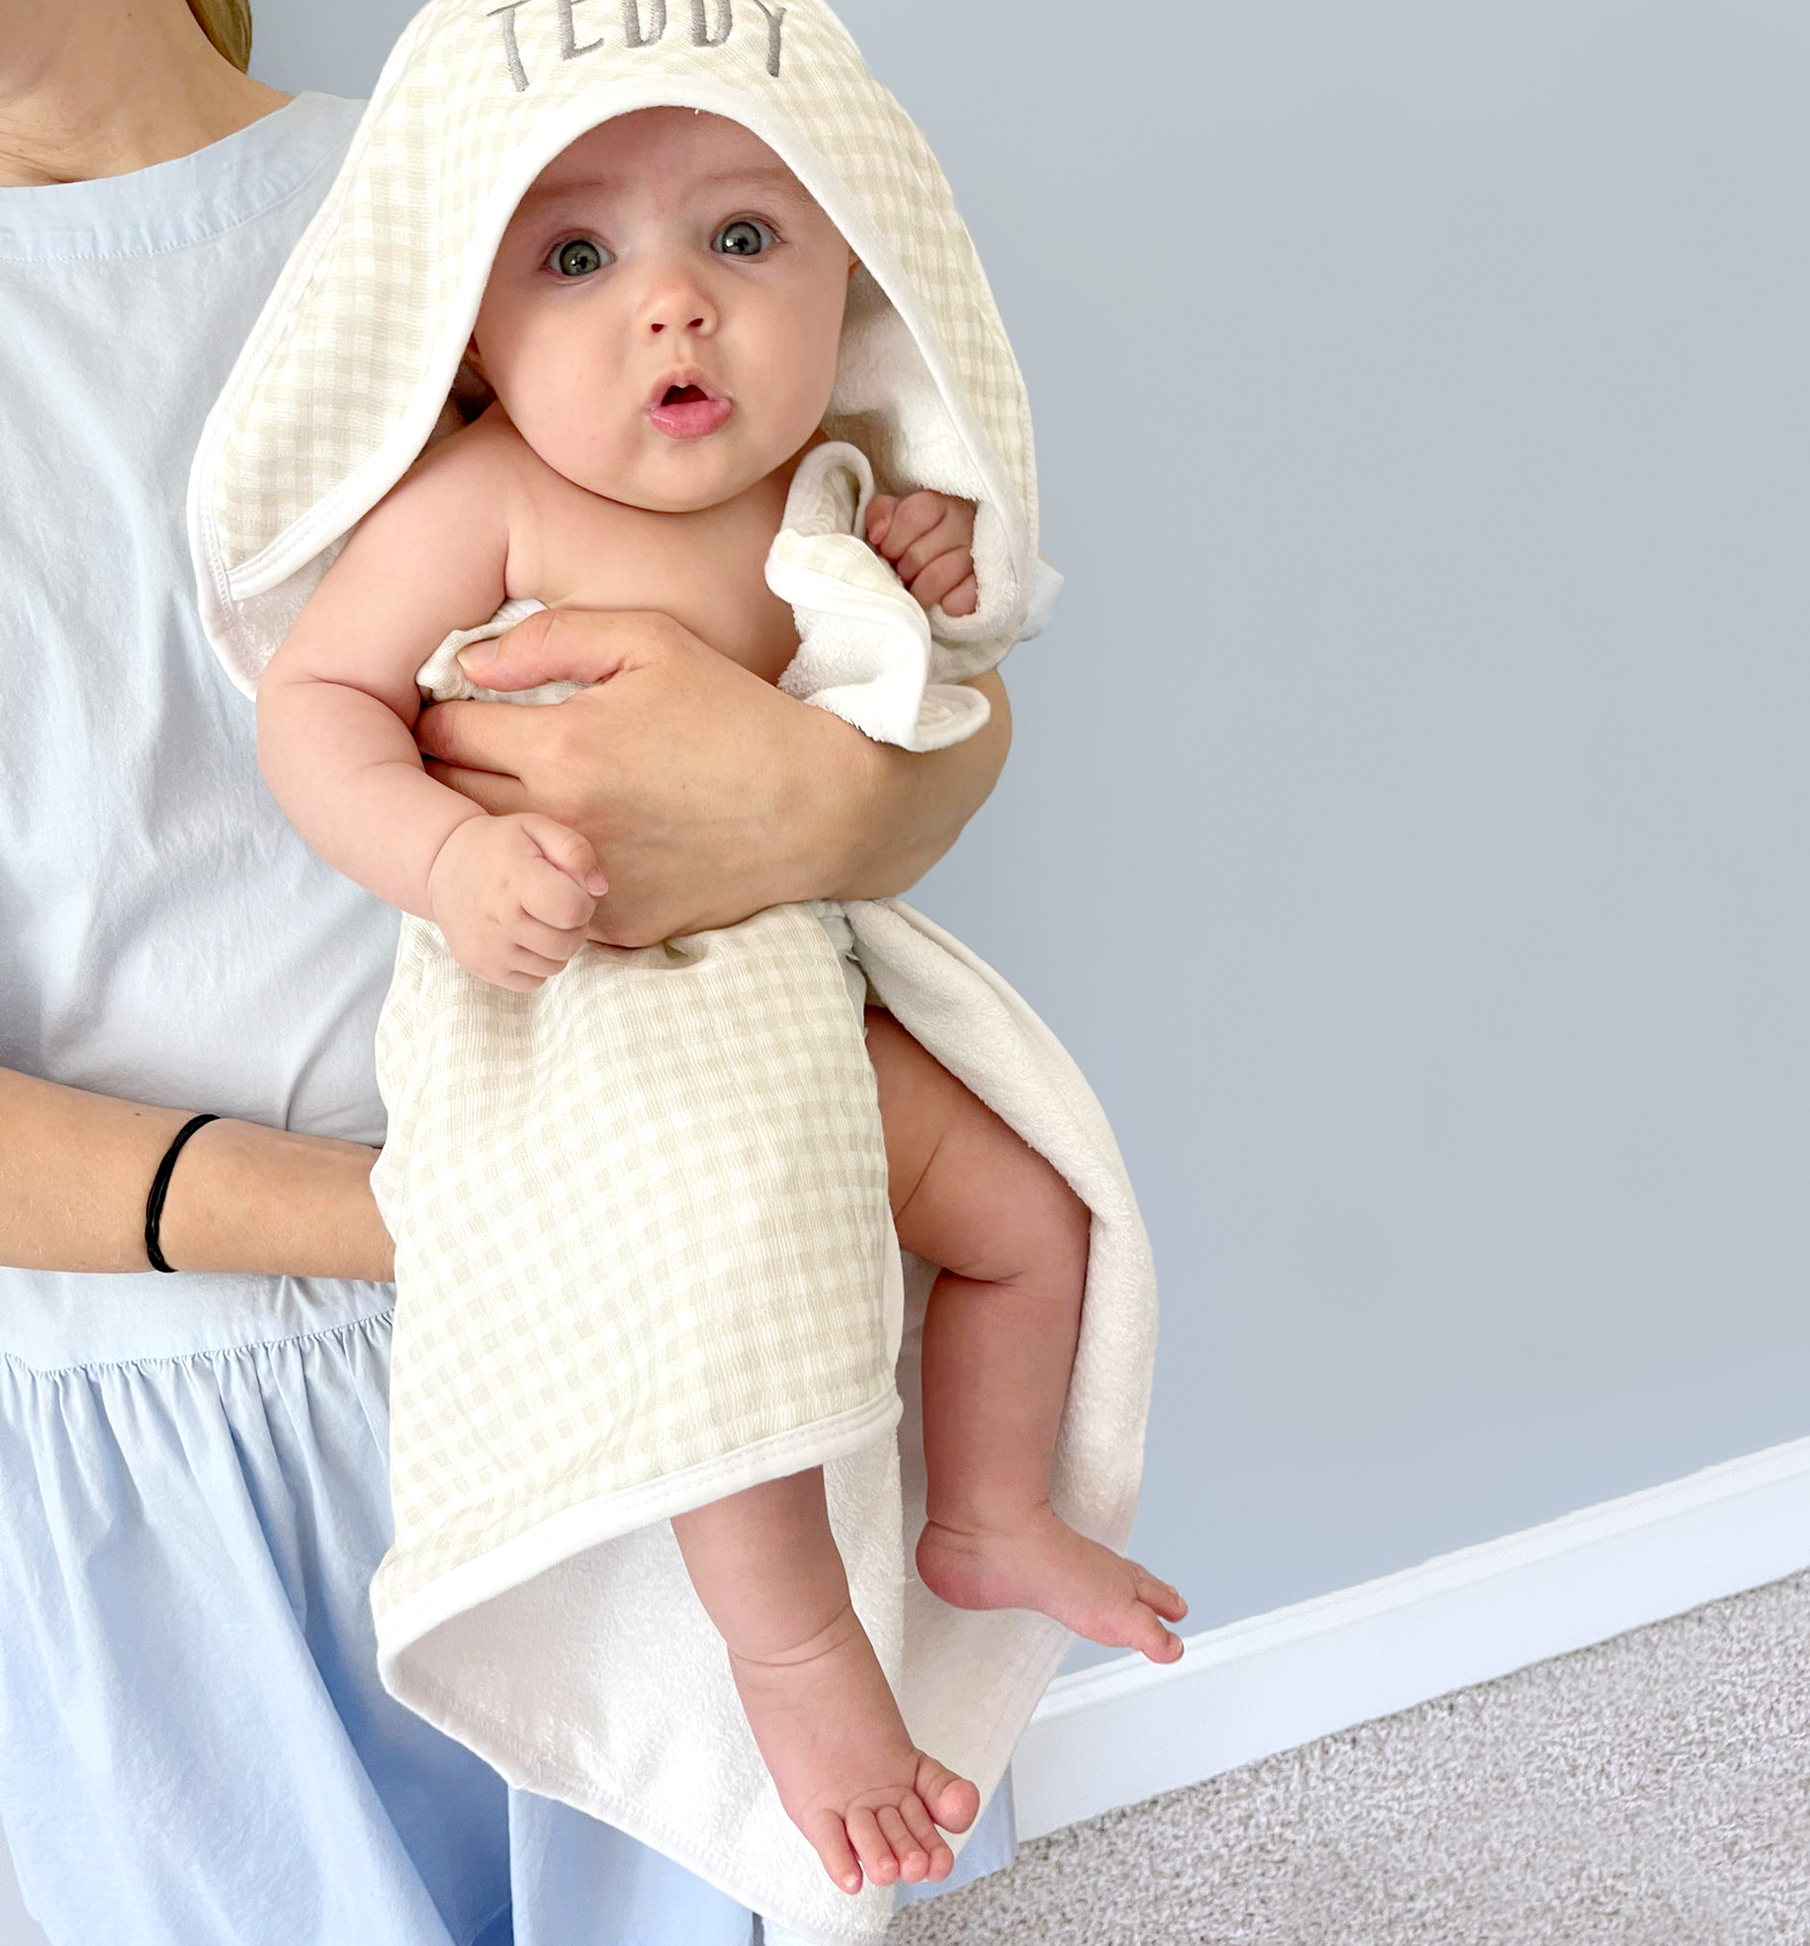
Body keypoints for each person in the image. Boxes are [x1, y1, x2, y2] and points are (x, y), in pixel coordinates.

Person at [0, 2, 1023, 1940]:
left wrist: (836, 803)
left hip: (646, 1301)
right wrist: (446, 1218)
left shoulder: (509, 186)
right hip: (150, 1421)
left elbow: (897, 678)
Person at [256, 94, 1189, 1900]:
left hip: (790, 972)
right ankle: (793, 1659)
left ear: (851, 275)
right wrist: (446, 863)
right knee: (725, 1328)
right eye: (579, 256)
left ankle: (990, 1511)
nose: (671, 308)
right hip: (599, 1011)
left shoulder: (822, 484)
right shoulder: (486, 500)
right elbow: (318, 707)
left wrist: (918, 593)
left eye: (742, 242)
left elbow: (904, 693)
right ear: (469, 324)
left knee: (1027, 1220)